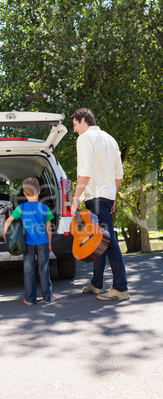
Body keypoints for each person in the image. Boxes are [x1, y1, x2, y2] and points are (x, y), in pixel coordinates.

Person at [70, 107, 129, 301]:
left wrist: (76, 196)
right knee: (99, 240)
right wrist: (113, 197)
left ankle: (120, 288)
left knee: (109, 240)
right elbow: (118, 175)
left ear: (83, 120)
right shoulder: (110, 139)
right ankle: (96, 284)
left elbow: (84, 172)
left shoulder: (85, 139)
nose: (75, 130)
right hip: (107, 196)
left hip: (95, 196)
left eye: (75, 125)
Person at [3, 177, 55, 305]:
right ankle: (48, 297)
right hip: (43, 243)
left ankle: (30, 298)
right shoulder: (45, 208)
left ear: (25, 194)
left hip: (28, 244)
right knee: (44, 270)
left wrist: (5, 235)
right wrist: (49, 243)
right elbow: (49, 228)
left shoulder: (21, 208)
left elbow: (8, 221)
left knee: (29, 271)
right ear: (39, 191)